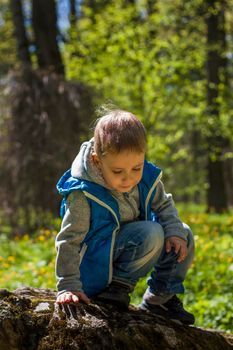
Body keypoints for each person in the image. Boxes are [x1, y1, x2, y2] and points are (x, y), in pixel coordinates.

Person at [55, 107, 195, 325]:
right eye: (118, 172)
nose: (128, 178)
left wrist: (175, 232)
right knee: (153, 232)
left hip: (131, 248)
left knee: (182, 232)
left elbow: (165, 205)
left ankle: (159, 299)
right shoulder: (83, 193)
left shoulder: (146, 178)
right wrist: (68, 285)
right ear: (97, 161)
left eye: (136, 168)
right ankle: (116, 289)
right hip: (96, 268)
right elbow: (68, 240)